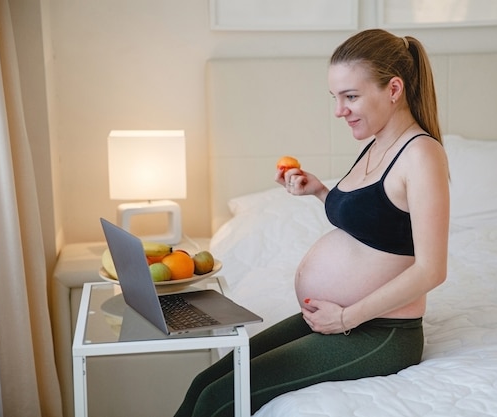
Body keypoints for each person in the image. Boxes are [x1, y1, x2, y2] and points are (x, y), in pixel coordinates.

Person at [174, 28, 449, 417]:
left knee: (220, 400)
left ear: (393, 89)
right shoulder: (376, 143)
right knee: (204, 384)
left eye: (351, 96)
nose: (340, 110)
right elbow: (377, 223)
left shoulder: (421, 155)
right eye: (335, 98)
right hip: (337, 318)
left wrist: (346, 317)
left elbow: (432, 269)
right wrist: (321, 191)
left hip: (379, 330)